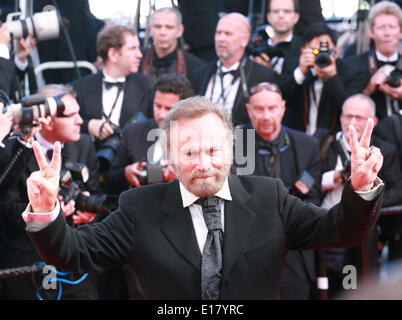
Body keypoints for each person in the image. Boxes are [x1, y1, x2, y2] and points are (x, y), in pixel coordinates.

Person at [23, 95, 385, 300]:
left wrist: (361, 188)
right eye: (189, 151)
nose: (203, 163)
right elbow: (72, 254)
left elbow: (341, 230)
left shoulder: (269, 197)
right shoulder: (139, 208)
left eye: (213, 149)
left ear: (231, 148)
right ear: (168, 156)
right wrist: (45, 211)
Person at [0, 84, 101, 300]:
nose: (80, 121)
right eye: (71, 115)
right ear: (47, 118)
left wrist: (85, 211)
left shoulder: (84, 145)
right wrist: (46, 213)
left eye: (79, 113)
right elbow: (6, 209)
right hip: (27, 264)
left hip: (74, 262)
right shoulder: (14, 148)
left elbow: (93, 193)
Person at [234, 81, 322, 299]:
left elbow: (312, 200)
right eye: (259, 109)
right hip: (246, 250)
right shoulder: (234, 143)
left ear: (283, 108)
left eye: (272, 108)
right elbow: (235, 197)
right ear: (248, 110)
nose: (266, 116)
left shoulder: (306, 145)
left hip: (294, 248)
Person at [315, 93, 402, 298]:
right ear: (341, 117)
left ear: (374, 122)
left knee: (350, 285)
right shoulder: (321, 144)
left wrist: (367, 199)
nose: (352, 122)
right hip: (322, 225)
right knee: (321, 286)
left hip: (358, 233)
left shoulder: (384, 152)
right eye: (348, 116)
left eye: (359, 118)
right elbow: (302, 183)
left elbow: (398, 190)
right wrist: (335, 177)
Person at [106, 73, 194, 196]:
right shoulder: (133, 132)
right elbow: (109, 181)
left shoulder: (199, 137)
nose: (161, 114)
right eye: (157, 106)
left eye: (169, 108)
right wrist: (126, 173)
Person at [71, 24, 154, 149]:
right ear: (113, 54)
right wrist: (88, 125)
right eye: (132, 49)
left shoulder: (149, 86)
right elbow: (64, 126)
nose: (140, 55)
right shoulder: (79, 88)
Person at [188, 12, 280, 126]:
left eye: (228, 34)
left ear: (244, 40)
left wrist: (243, 142)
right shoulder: (199, 74)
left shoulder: (263, 76)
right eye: (218, 33)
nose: (221, 38)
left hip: (244, 140)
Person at [281, 23, 362, 135]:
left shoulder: (351, 73)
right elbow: (281, 100)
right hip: (298, 138)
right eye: (315, 51)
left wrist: (332, 78)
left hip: (332, 144)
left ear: (337, 52)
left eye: (326, 51)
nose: (320, 56)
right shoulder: (293, 66)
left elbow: (350, 110)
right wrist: (301, 73)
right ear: (303, 51)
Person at [345, 1, 402, 121]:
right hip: (371, 135)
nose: (387, 33)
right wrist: (368, 90)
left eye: (392, 27)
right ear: (371, 32)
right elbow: (344, 107)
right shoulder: (353, 65)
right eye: (381, 27)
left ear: (400, 32)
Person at [140, 7, 205, 78]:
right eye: (158, 27)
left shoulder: (196, 67)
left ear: (180, 30)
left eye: (169, 27)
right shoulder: (137, 62)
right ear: (151, 29)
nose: (162, 32)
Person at [251, 0, 303, 75]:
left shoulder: (303, 48)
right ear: (268, 17)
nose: (281, 15)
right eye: (275, 11)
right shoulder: (257, 48)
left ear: (296, 17)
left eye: (287, 11)